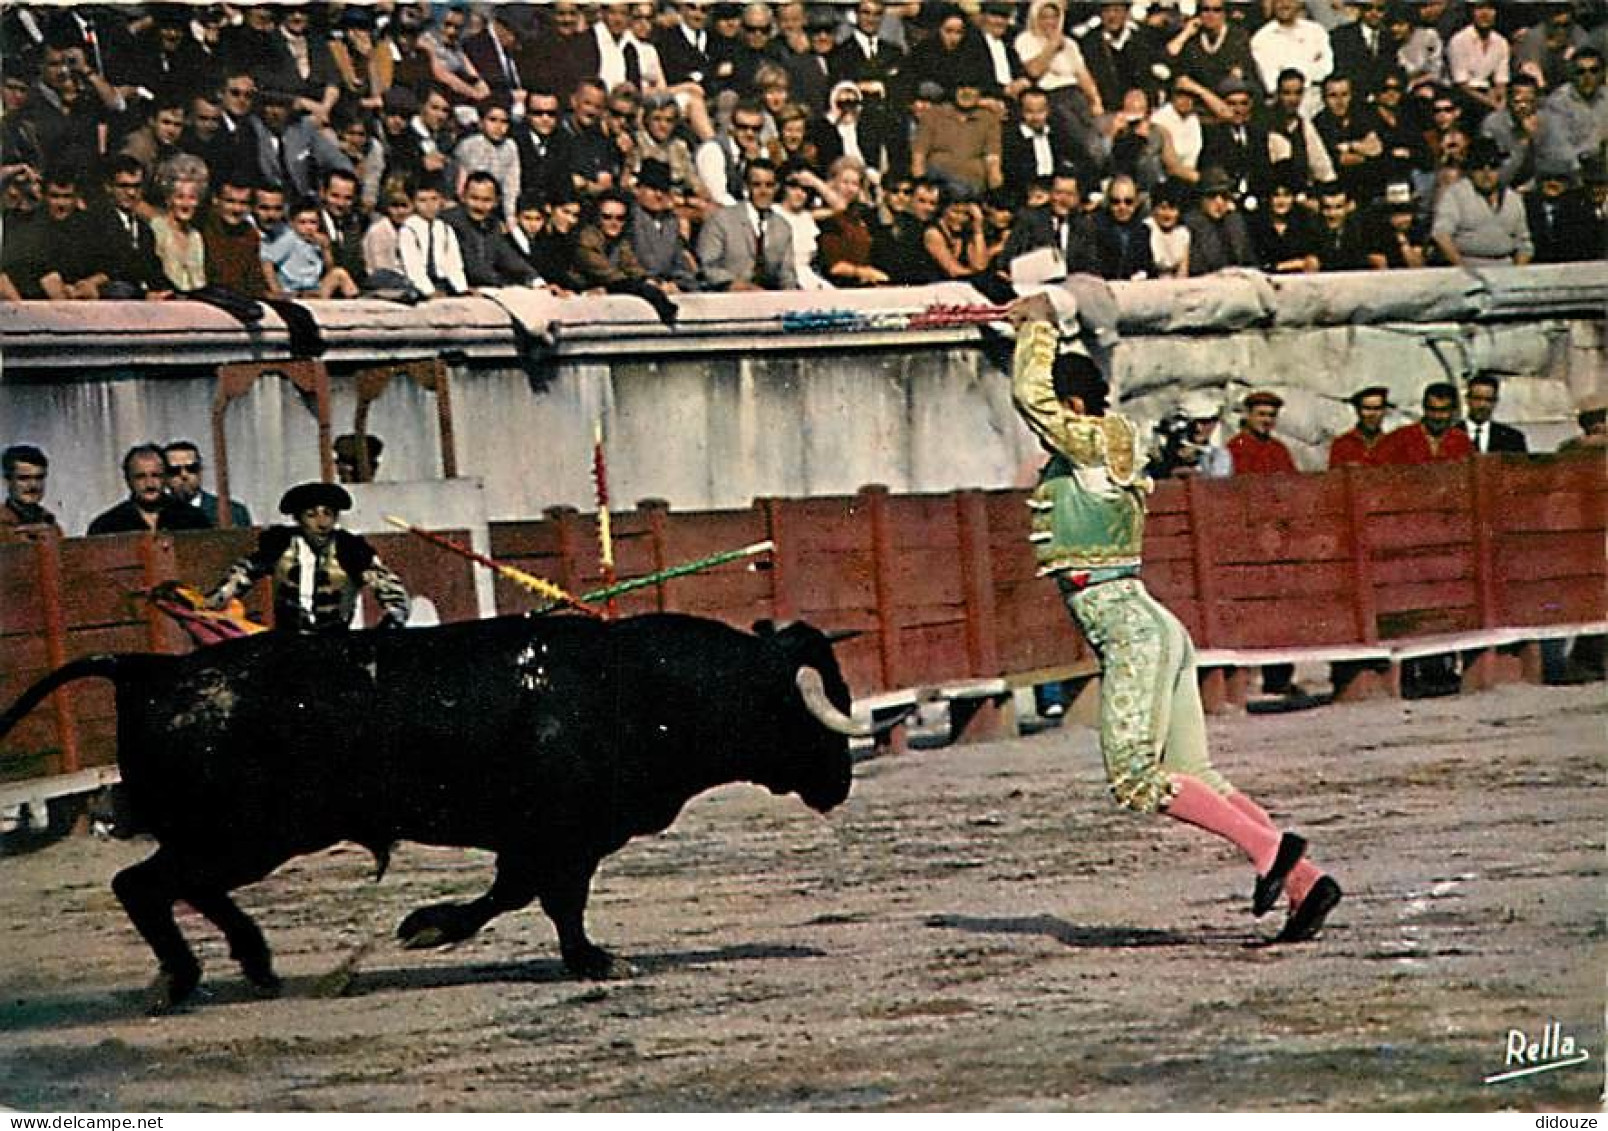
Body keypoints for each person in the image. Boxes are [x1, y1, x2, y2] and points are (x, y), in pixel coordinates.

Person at [1005, 290, 1341, 944]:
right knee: (1195, 773)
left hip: (1128, 625)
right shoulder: (1105, 445)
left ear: (1073, 405)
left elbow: (1032, 400)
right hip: (1153, 620)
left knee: (1135, 776)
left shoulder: (1094, 443)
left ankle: (1271, 855)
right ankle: (1305, 881)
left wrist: (1035, 330)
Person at [207, 481, 409, 634]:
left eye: (328, 514)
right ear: (297, 518)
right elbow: (241, 576)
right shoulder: (280, 544)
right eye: (312, 515)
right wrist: (212, 603)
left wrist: (387, 627)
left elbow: (394, 596)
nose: (322, 523)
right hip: (288, 641)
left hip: (336, 641)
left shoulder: (351, 549)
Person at [1431, 136, 1533, 268]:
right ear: (1469, 169)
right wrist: (1462, 268)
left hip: (1506, 268)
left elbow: (1524, 243)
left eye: (1493, 165)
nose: (1487, 172)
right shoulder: (1455, 194)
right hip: (1466, 265)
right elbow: (1441, 235)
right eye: (1479, 166)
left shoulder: (1513, 198)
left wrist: (1517, 273)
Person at [696, 158, 797, 290]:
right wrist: (736, 285)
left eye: (769, 185)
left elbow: (787, 274)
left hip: (769, 299)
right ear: (746, 186)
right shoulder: (721, 220)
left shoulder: (783, 227)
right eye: (756, 184)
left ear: (777, 187)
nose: (763, 191)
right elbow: (707, 267)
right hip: (728, 297)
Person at [87, 444, 213, 536]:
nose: (150, 484)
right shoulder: (106, 526)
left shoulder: (193, 520)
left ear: (165, 477)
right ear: (128, 480)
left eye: (156, 475)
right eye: (140, 477)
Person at [1375, 381, 1474, 465]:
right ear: (1424, 407)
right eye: (1432, 410)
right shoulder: (1399, 439)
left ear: (1454, 411)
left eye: (1443, 410)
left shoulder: (1461, 441)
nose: (1437, 416)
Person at [161, 441, 251, 528]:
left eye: (191, 468)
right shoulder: (157, 515)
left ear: (200, 471)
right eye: (174, 470)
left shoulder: (233, 512)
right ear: (164, 475)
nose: (184, 475)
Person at [1228, 390, 1299, 476]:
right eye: (1261, 414)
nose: (1267, 420)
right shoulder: (1236, 448)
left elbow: (1293, 479)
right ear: (1247, 415)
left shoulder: (1279, 449)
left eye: (1272, 415)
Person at [1, 444, 61, 542]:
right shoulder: (2, 526)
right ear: (7, 481)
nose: (33, 485)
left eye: (39, 478)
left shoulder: (52, 526)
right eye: (24, 478)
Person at [1328, 385, 1392, 468]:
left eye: (1377, 408)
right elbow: (1334, 479)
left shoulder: (1391, 446)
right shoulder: (1342, 445)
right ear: (1357, 410)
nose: (1372, 414)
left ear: (1384, 411)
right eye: (1367, 408)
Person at [1463, 373, 1527, 455]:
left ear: (1495, 402)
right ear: (1467, 400)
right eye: (1477, 398)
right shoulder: (1449, 435)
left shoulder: (1512, 438)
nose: (1482, 405)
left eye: (1488, 400)